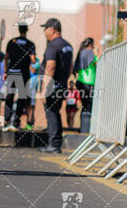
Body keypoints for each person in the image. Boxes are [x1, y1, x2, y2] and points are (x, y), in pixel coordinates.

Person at [38, 18, 73, 154]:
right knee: (55, 113)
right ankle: (55, 143)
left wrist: (44, 89)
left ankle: (53, 145)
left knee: (51, 114)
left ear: (52, 29)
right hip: (62, 84)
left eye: (45, 28)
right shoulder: (67, 45)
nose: (44, 31)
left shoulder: (53, 45)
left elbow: (50, 66)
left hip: (53, 86)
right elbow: (70, 66)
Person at [3, 24, 36, 132]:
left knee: (9, 96)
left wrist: (5, 71)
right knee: (22, 98)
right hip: (24, 74)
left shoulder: (12, 42)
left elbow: (6, 57)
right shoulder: (30, 44)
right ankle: (16, 122)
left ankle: (6, 121)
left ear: (18, 30)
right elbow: (33, 60)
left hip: (12, 72)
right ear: (27, 31)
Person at [73, 37, 99, 134]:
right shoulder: (91, 53)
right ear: (91, 45)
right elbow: (99, 63)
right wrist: (97, 53)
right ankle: (87, 130)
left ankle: (83, 129)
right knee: (90, 107)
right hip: (89, 83)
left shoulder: (81, 52)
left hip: (80, 81)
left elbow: (76, 69)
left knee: (84, 107)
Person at [26, 55, 40, 131]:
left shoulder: (37, 62)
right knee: (26, 106)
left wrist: (27, 63)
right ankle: (27, 122)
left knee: (32, 106)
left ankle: (30, 123)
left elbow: (33, 70)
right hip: (26, 86)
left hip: (33, 87)